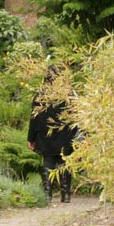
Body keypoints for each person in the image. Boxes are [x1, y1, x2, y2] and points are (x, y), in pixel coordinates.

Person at [27, 64, 78, 203]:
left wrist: (31, 138)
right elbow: (76, 117)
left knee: (48, 161)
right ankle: (65, 194)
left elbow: (34, 118)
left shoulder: (40, 95)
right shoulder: (69, 95)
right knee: (64, 162)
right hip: (65, 135)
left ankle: (47, 194)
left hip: (45, 135)